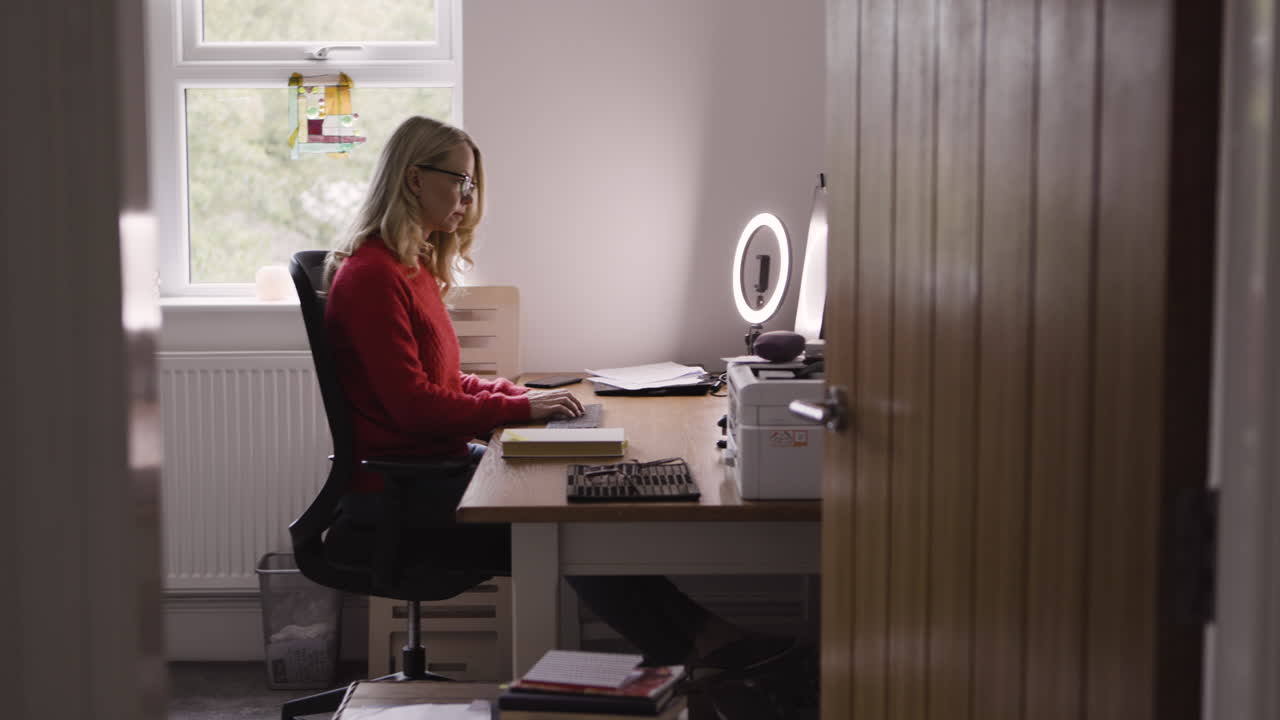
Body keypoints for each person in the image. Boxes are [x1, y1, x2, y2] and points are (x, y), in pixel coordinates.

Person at [323, 116, 809, 696]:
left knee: (586, 504)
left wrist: (522, 397)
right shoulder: (372, 276)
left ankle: (696, 644)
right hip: (400, 489)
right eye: (460, 183)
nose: (468, 200)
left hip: (437, 465)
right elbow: (415, 408)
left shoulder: (411, 267)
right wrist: (522, 411)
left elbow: (448, 382)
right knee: (572, 521)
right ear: (413, 178)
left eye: (472, 186)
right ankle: (701, 644)